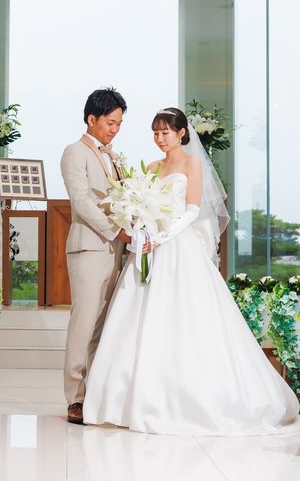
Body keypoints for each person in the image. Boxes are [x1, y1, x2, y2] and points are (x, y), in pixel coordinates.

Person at [83, 107, 300, 435]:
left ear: (181, 133)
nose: (160, 138)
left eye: (165, 132)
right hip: (150, 250)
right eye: (155, 133)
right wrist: (142, 229)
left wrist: (161, 237)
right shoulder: (151, 168)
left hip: (178, 246)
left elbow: (193, 210)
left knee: (188, 319)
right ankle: (126, 400)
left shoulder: (192, 164)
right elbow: (142, 208)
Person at [60, 88, 132, 425]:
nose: (115, 129)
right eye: (110, 123)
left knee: (102, 327)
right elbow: (81, 201)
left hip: (115, 251)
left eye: (119, 124)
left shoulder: (114, 157)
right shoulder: (74, 153)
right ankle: (75, 398)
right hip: (89, 249)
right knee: (84, 323)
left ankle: (96, 397)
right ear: (92, 119)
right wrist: (116, 230)